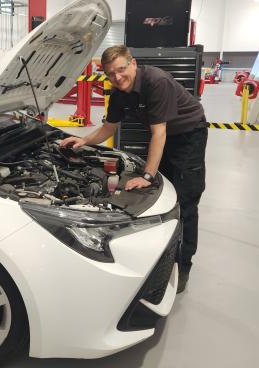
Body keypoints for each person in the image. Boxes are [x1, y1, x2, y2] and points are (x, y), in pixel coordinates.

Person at [61, 45, 207, 293]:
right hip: (166, 136)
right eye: (110, 74)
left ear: (133, 64)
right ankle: (161, 252)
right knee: (165, 195)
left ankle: (183, 266)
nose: (117, 78)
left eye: (121, 69)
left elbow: (158, 133)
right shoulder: (119, 93)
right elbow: (109, 128)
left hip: (188, 134)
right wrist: (83, 140)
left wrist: (147, 175)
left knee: (186, 201)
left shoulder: (156, 82)